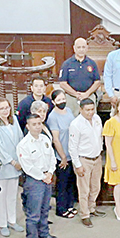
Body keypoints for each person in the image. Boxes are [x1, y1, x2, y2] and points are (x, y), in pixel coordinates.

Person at [17, 114, 57, 238]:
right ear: (27, 126)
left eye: (39, 123)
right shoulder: (23, 145)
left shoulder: (45, 139)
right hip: (34, 181)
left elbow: (52, 157)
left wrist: (50, 173)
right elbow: (27, 166)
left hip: (47, 177)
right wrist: (43, 176)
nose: (37, 126)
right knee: (33, 213)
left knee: (45, 209)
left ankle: (44, 233)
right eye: (34, 124)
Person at [0, 98, 25, 237]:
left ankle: (12, 221)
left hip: (17, 164)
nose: (5, 110)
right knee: (1, 197)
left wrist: (20, 159)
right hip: (4, 166)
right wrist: (11, 161)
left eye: (7, 107)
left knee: (12, 196)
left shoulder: (14, 120)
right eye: (2, 108)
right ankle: (3, 224)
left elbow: (21, 139)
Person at [69, 98, 105, 228]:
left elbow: (100, 137)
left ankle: (91, 208)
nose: (90, 112)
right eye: (87, 110)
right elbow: (72, 147)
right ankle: (85, 215)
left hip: (96, 158)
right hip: (84, 160)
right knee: (84, 189)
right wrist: (77, 165)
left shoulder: (97, 119)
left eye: (92, 109)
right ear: (81, 109)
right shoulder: (76, 124)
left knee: (95, 186)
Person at [47, 89, 78, 219]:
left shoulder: (69, 111)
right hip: (62, 156)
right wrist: (63, 156)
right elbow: (56, 139)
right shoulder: (52, 117)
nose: (62, 102)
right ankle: (61, 208)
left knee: (71, 181)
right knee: (62, 184)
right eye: (59, 100)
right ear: (53, 102)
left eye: (63, 99)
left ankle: (70, 205)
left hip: (72, 153)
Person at [59, 37, 101, 116]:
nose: (81, 49)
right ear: (74, 48)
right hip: (71, 97)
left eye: (83, 47)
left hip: (88, 95)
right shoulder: (67, 64)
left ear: (87, 48)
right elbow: (62, 83)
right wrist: (76, 94)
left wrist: (86, 94)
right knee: (71, 118)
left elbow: (97, 82)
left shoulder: (92, 63)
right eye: (79, 47)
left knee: (90, 118)